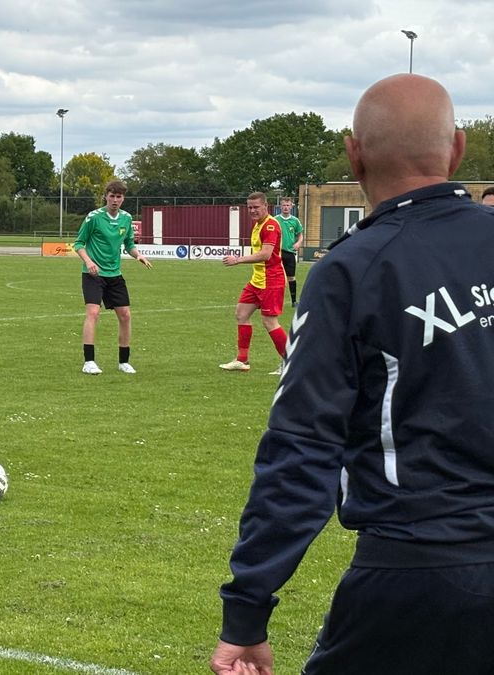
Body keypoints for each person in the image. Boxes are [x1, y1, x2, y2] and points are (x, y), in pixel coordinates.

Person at [210, 74, 494, 675]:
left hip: (424, 572)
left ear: (354, 152)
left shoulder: (353, 270)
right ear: (458, 149)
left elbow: (303, 447)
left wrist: (246, 610)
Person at [73, 180, 152, 375]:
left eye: (119, 196)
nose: (115, 200)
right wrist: (89, 262)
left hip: (115, 275)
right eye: (112, 196)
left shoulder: (126, 218)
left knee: (125, 316)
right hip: (93, 274)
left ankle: (123, 362)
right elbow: (79, 244)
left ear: (123, 198)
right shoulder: (94, 217)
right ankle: (89, 361)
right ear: (106, 196)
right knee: (93, 313)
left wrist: (138, 255)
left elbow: (129, 244)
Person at [218, 192, 288, 376]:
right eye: (249, 207)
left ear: (266, 206)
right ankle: (242, 360)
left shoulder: (271, 226)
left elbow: (265, 254)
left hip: (271, 281)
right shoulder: (257, 225)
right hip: (258, 280)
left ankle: (291, 362)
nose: (252, 210)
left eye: (256, 207)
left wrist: (238, 260)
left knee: (270, 322)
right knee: (241, 314)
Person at [274, 196, 303, 306]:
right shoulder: (275, 220)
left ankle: (293, 301)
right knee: (275, 277)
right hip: (277, 252)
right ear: (280, 207)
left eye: (288, 205)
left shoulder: (295, 221)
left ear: (291, 207)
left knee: (291, 277)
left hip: (290, 253)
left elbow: (300, 235)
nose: (286, 207)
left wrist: (298, 243)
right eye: (284, 205)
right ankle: (273, 300)